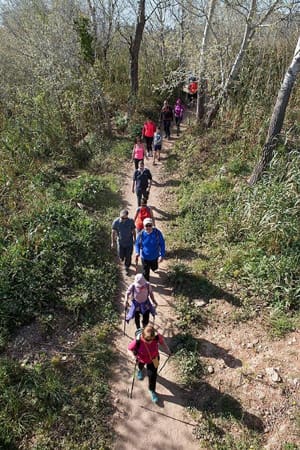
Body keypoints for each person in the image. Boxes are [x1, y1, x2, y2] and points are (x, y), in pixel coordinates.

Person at [128, 325, 171, 403]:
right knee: (140, 366)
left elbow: (163, 343)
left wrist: (167, 350)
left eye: (151, 339)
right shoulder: (138, 340)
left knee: (153, 375)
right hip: (141, 359)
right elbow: (129, 349)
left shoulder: (157, 337)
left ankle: (152, 390)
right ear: (143, 337)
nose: (150, 341)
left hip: (154, 359)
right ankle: (140, 370)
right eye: (147, 340)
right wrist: (133, 356)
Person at [111, 209, 136, 275]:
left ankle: (127, 267)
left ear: (127, 217)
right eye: (121, 218)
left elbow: (133, 231)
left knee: (128, 256)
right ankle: (123, 259)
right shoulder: (116, 222)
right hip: (120, 242)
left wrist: (135, 239)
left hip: (129, 243)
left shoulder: (131, 221)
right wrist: (113, 242)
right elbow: (113, 232)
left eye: (125, 218)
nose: (123, 219)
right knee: (121, 256)